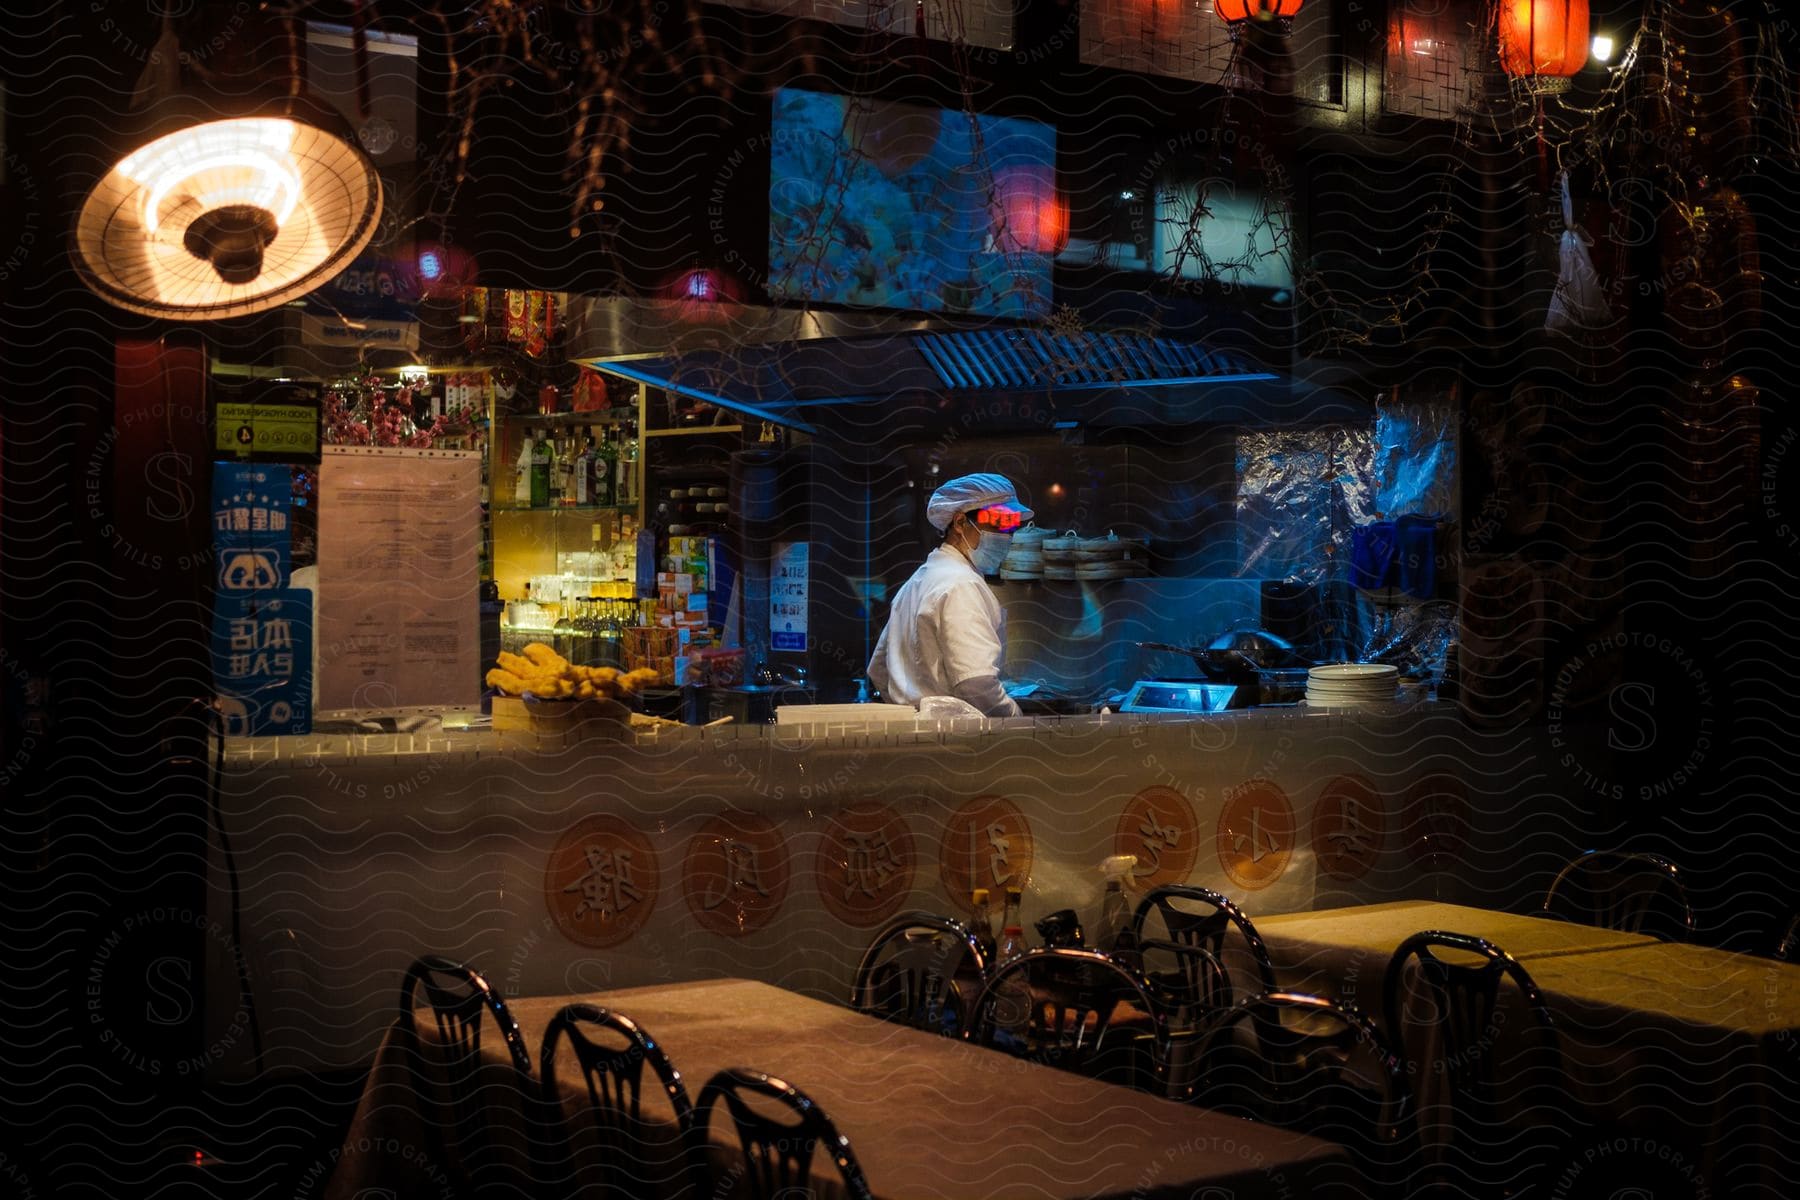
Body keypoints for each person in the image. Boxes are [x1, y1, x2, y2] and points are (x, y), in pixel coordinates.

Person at [868, 473, 1032, 717]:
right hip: (957, 739)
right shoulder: (961, 584)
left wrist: (910, 713)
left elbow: (878, 670)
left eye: (1011, 525)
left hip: (917, 734)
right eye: (998, 522)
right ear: (959, 522)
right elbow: (976, 683)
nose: (1006, 535)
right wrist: (1016, 721)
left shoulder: (918, 580)